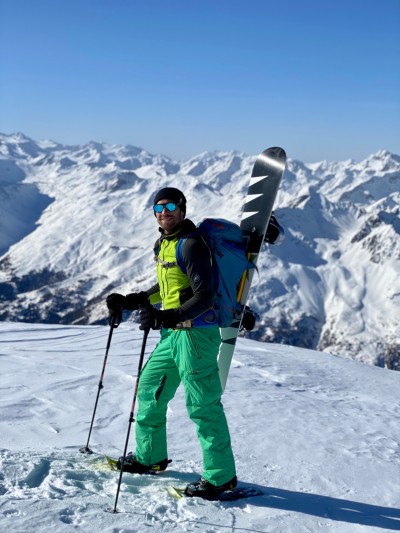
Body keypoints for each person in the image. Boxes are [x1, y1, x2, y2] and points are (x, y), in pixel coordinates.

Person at [106, 187, 237, 499]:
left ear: (182, 209)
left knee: (203, 405)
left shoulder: (191, 244)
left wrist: (168, 316)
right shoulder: (164, 243)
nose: (163, 212)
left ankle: (220, 478)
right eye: (158, 207)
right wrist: (134, 300)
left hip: (195, 335)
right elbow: (166, 287)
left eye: (169, 206)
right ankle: (150, 457)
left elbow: (205, 296)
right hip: (172, 334)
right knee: (149, 388)